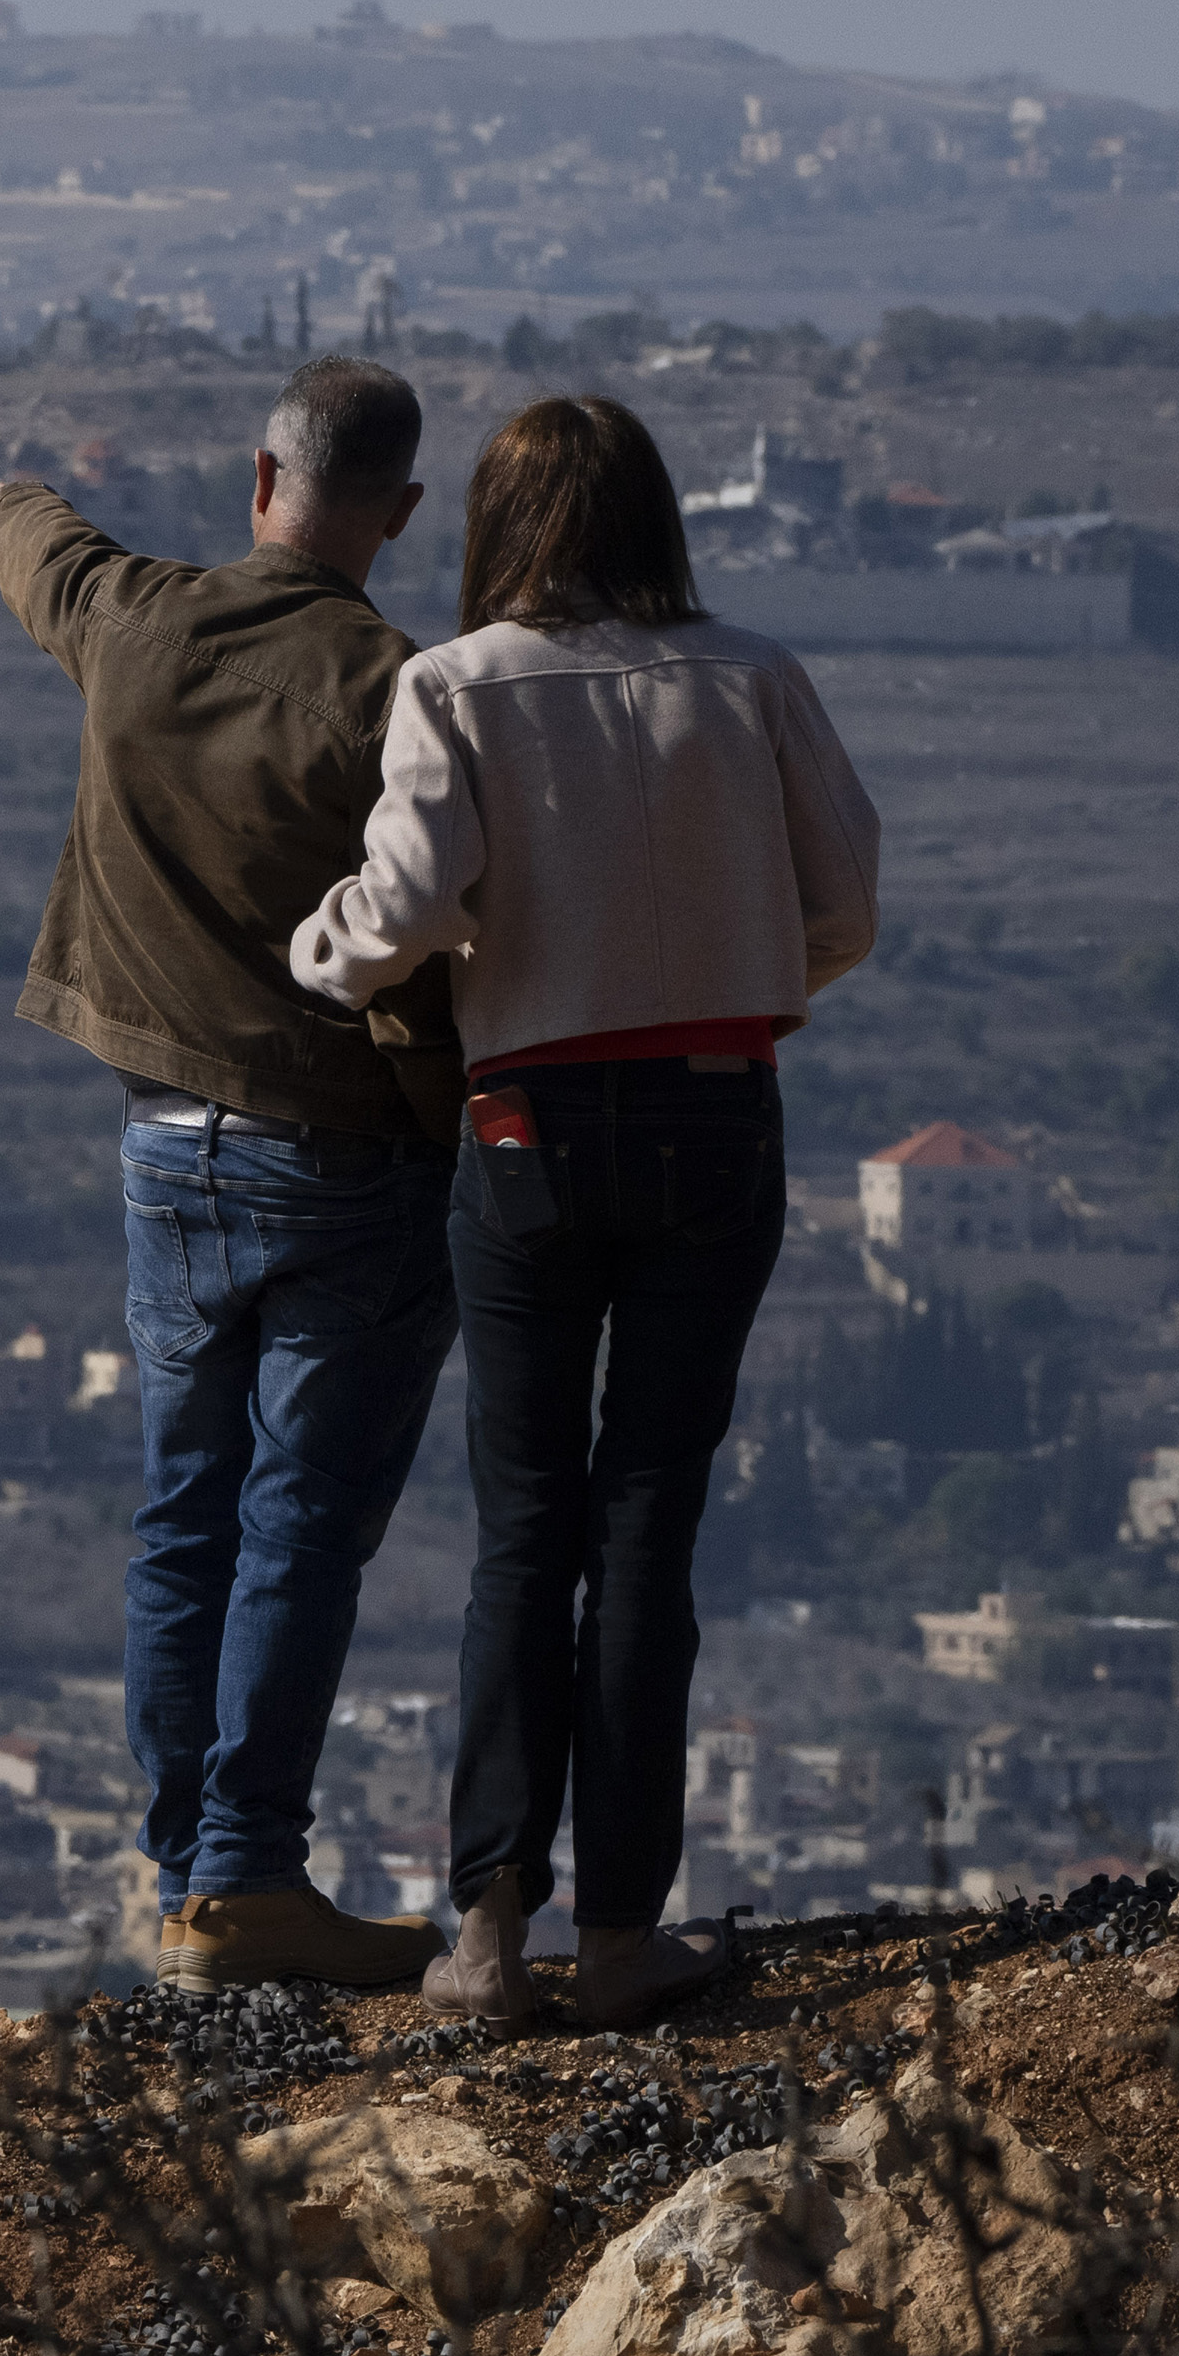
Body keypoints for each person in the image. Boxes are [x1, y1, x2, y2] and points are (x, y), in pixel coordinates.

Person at [293, 393, 879, 2030]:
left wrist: (320, 954)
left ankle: (485, 1933)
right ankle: (622, 1931)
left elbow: (402, 906)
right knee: (649, 1520)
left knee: (523, 1522)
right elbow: (845, 904)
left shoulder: (455, 687)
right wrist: (735, 975)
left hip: (526, 1123)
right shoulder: (753, 675)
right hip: (715, 1111)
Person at [0, 361, 467, 1997]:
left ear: (259, 477)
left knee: (183, 1514)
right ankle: (245, 1877)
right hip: (349, 1163)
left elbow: (50, 549)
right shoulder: (401, 689)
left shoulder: (139, 622)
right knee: (299, 1524)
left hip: (165, 1148)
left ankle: (187, 1878)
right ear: (399, 511)